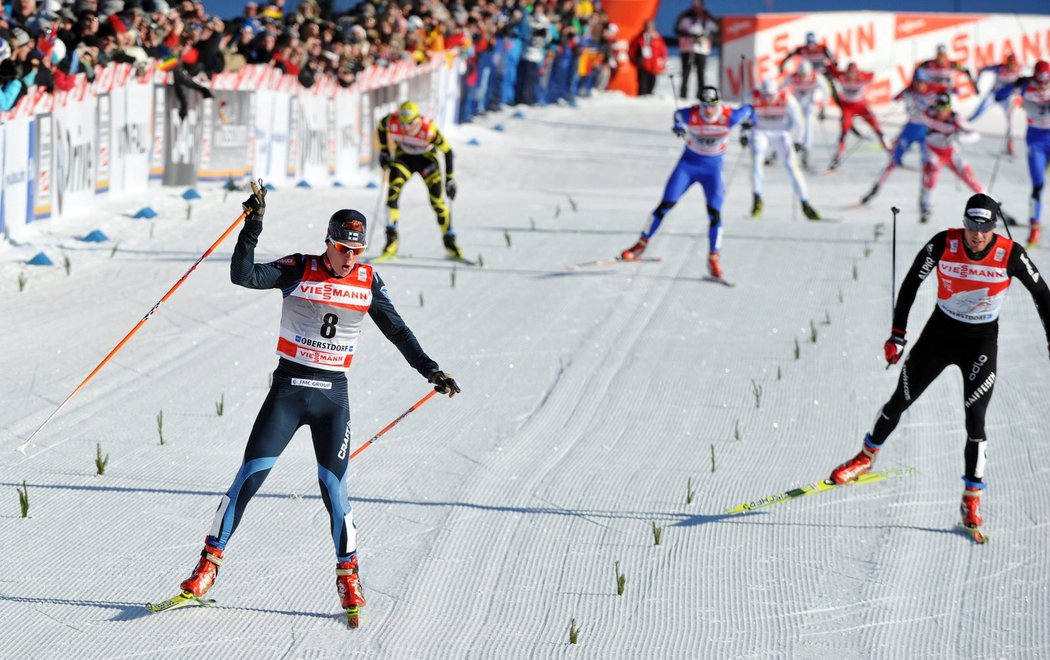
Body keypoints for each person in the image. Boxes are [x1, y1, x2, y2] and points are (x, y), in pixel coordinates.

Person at [172, 181, 461, 627]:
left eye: (357, 249)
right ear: (327, 242)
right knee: (249, 476)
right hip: (288, 391)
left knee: (334, 488)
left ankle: (349, 575)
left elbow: (398, 332)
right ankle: (207, 567)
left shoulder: (367, 280)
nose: (350, 257)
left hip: (332, 398)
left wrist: (432, 370)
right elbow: (243, 275)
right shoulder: (298, 268)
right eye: (343, 247)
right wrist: (254, 224)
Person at [828, 193, 1050, 535]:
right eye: (972, 225)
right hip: (939, 334)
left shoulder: (1011, 254)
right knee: (900, 399)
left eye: (985, 227)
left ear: (993, 227)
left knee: (975, 419)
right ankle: (865, 456)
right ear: (964, 223)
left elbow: (1043, 296)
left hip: (980, 343)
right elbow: (911, 284)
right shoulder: (943, 244)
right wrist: (898, 334)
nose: (977, 234)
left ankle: (971, 497)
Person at [620, 85, 753, 278]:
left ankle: (713, 258)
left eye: (712, 105)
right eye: (705, 105)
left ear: (718, 103)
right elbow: (677, 115)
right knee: (665, 204)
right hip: (688, 166)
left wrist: (747, 129)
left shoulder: (730, 116)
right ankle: (641, 244)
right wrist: (678, 127)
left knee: (715, 213)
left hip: (713, 170)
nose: (708, 110)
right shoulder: (690, 114)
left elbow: (750, 110)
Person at [376, 100, 463, 260]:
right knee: (392, 194)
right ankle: (391, 243)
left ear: (418, 119)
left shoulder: (428, 129)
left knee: (437, 202)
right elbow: (381, 126)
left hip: (427, 161)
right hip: (405, 159)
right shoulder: (392, 120)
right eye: (403, 123)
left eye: (410, 123)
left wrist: (450, 179)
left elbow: (448, 152)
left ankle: (450, 241)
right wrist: (384, 151)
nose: (406, 127)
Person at [858, 71, 949, 206]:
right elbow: (895, 98)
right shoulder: (909, 92)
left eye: (922, 83)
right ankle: (876, 188)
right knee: (893, 160)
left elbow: (948, 91)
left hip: (926, 131)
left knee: (927, 165)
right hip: (910, 129)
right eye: (917, 83)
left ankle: (925, 199)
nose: (920, 86)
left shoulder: (934, 90)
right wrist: (905, 95)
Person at [747, 77, 821, 220]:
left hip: (781, 132)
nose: (768, 99)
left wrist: (798, 140)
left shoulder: (787, 99)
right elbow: (743, 114)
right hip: (760, 131)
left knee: (792, 167)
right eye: (765, 95)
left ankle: (805, 202)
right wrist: (744, 131)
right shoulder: (752, 97)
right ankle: (757, 198)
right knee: (757, 160)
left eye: (771, 95)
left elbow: (799, 121)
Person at [918, 93, 984, 224]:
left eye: (944, 108)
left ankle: (991, 203)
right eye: (938, 108)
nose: (941, 112)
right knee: (932, 173)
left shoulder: (956, 119)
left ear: (949, 108)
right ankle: (926, 206)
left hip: (951, 153)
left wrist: (959, 137)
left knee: (969, 177)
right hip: (933, 151)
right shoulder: (928, 114)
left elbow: (975, 135)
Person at [1012, 60, 1050, 248]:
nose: (1043, 84)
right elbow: (1000, 95)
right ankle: (1035, 225)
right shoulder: (1026, 85)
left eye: (1046, 80)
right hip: (1036, 140)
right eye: (1040, 80)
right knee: (1038, 185)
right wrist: (1015, 84)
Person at [826, 61, 890, 171]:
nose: (851, 76)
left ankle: (891, 152)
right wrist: (831, 65)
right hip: (847, 107)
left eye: (853, 74)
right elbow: (830, 69)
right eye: (849, 73)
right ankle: (837, 158)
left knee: (877, 128)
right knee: (844, 132)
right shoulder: (841, 76)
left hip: (861, 106)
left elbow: (873, 74)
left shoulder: (863, 77)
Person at [968, 53, 1023, 156]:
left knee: (1011, 122)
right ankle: (959, 127)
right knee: (977, 113)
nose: (1012, 66)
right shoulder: (1000, 68)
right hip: (993, 96)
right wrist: (977, 83)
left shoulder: (1020, 69)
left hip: (1006, 99)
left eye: (1014, 64)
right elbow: (982, 69)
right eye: (1010, 63)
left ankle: (1010, 145)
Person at [783, 60, 830, 170]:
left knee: (808, 125)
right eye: (801, 74)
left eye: (805, 74)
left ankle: (806, 151)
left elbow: (826, 90)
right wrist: (784, 103)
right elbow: (782, 89)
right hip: (796, 105)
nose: (803, 77)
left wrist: (823, 107)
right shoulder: (792, 77)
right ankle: (778, 150)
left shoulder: (816, 77)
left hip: (809, 105)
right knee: (790, 125)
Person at [673, 0, 718, 100]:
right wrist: (689, 35)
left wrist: (704, 36)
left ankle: (701, 95)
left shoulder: (707, 16)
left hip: (702, 49)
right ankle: (683, 95)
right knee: (685, 72)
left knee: (701, 73)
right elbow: (677, 29)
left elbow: (715, 31)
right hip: (687, 48)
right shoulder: (685, 15)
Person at [629, 18, 666, 96]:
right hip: (643, 66)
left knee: (651, 86)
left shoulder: (658, 39)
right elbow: (632, 51)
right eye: (647, 27)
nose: (649, 29)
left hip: (654, 66)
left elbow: (663, 52)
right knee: (642, 87)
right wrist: (635, 60)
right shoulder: (639, 38)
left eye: (651, 27)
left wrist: (662, 65)